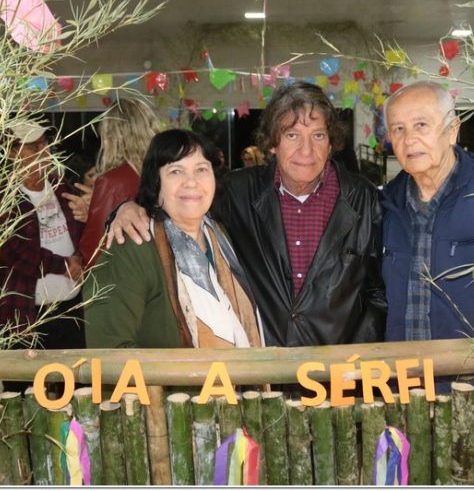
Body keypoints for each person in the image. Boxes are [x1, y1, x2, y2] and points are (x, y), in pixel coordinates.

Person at [109, 82, 387, 347]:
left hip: (339, 370)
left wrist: (356, 357)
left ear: (331, 143)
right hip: (262, 367)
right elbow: (180, 204)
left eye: (318, 135)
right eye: (292, 135)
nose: (306, 150)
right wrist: (127, 208)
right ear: (272, 143)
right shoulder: (238, 192)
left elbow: (378, 292)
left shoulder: (363, 198)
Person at [83, 129, 262, 349]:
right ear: (156, 183)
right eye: (176, 171)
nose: (191, 182)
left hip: (235, 371)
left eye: (201, 169)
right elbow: (107, 348)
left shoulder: (219, 236)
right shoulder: (133, 245)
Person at [381, 81, 474, 341]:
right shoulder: (386, 204)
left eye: (421, 125)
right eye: (398, 129)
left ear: (452, 130)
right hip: (404, 365)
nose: (409, 140)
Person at [0, 121, 85, 350]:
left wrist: (88, 218)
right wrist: (65, 265)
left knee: (78, 370)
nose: (44, 152)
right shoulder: (1, 197)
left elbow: (81, 234)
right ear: (12, 152)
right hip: (26, 313)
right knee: (28, 372)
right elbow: (14, 252)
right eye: (34, 147)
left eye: (46, 144)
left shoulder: (61, 186)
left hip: (72, 306)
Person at [77, 97, 161, 267]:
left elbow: (94, 250)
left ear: (110, 136)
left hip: (124, 273)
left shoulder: (111, 181)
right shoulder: (165, 172)